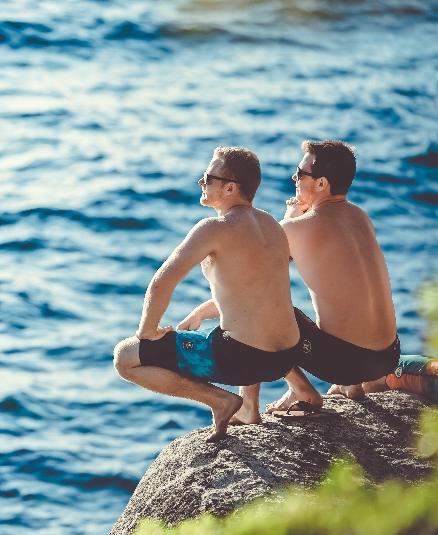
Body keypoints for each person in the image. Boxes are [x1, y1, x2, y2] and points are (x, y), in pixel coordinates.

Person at [113, 147, 307, 441]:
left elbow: (161, 283)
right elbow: (254, 294)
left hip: (243, 360)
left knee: (125, 357)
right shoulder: (270, 225)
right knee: (237, 325)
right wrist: (202, 312)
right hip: (285, 358)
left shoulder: (214, 228)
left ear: (230, 188)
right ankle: (250, 407)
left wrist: (147, 333)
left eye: (208, 178)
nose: (201, 183)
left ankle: (221, 401)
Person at [261, 140, 400, 414]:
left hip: (347, 363)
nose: (294, 179)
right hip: (388, 356)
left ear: (322, 183)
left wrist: (289, 217)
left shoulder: (299, 227)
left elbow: (259, 271)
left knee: (256, 308)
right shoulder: (360, 217)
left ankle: (301, 389)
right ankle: (353, 387)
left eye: (301, 174)